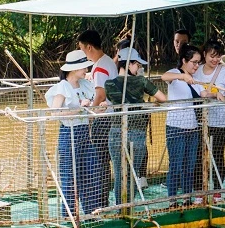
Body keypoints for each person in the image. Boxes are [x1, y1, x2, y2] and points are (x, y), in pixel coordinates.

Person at [105, 47, 167, 206]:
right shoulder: (142, 81)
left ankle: (120, 207)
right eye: (137, 64)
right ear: (129, 64)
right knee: (132, 173)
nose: (139, 68)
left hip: (116, 131)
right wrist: (148, 105)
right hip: (137, 132)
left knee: (119, 174)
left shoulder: (109, 84)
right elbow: (163, 98)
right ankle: (129, 207)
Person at [45, 50, 100, 217]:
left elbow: (95, 102)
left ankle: (91, 212)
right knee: (69, 178)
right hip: (69, 134)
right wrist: (79, 109)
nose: (86, 70)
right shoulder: (62, 87)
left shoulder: (85, 84)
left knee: (92, 171)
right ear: (74, 69)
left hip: (85, 133)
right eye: (83, 67)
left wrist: (95, 106)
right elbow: (55, 113)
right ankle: (68, 215)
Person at [161, 44, 209, 205]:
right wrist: (182, 77)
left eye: (198, 63)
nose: (196, 66)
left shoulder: (196, 79)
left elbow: (204, 93)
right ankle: (172, 200)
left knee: (189, 166)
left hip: (192, 127)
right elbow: (164, 77)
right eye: (194, 62)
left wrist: (220, 95)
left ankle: (187, 198)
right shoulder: (176, 73)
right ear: (184, 60)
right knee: (176, 165)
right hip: (176, 127)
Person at [78, 29, 118, 208]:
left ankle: (100, 201)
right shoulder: (108, 61)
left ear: (89, 47)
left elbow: (100, 94)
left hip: (104, 119)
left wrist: (91, 108)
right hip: (113, 115)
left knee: (99, 160)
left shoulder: (99, 67)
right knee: (107, 160)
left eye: (82, 49)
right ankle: (104, 198)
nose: (82, 53)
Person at [192, 40, 225, 190]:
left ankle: (217, 190)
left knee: (217, 156)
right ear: (204, 55)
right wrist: (212, 94)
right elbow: (193, 91)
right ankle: (199, 190)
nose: (215, 60)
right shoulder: (196, 70)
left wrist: (218, 94)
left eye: (217, 56)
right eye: (212, 56)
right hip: (199, 121)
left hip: (220, 122)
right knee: (198, 157)